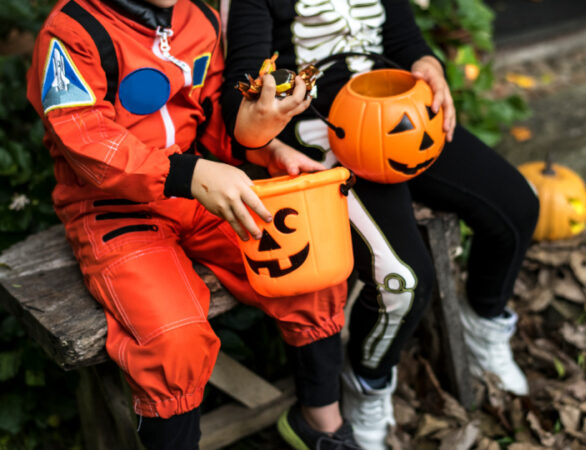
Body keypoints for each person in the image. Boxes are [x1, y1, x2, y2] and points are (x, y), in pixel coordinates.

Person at [27, 0, 362, 449]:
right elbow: (87, 141)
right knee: (173, 339)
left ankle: (320, 427)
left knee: (304, 268)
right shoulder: (73, 33)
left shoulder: (197, 16)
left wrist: (263, 150)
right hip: (113, 209)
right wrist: (187, 175)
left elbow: (210, 115)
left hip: (201, 190)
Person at [220, 0, 540, 449]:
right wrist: (265, 130)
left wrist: (427, 64)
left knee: (517, 208)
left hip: (400, 113)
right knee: (403, 280)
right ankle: (368, 381)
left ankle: (484, 321)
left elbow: (405, 42)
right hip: (324, 132)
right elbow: (240, 89)